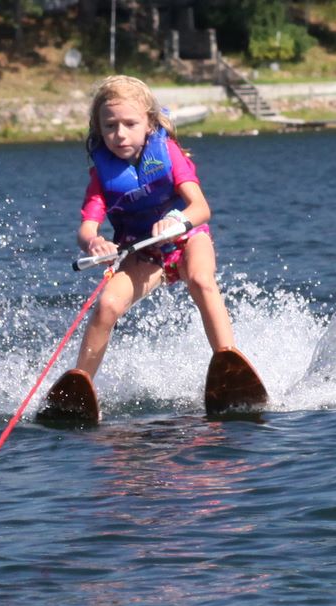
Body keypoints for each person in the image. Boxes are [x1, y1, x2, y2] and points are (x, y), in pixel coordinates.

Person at [73, 75, 238, 378]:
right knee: (107, 304)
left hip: (188, 239)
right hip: (143, 252)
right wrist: (94, 243)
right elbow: (86, 229)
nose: (120, 134)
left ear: (149, 123)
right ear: (99, 129)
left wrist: (175, 221)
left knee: (201, 280)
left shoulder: (168, 153)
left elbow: (201, 209)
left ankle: (229, 363)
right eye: (110, 126)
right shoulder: (102, 177)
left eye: (130, 124)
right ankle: (79, 382)